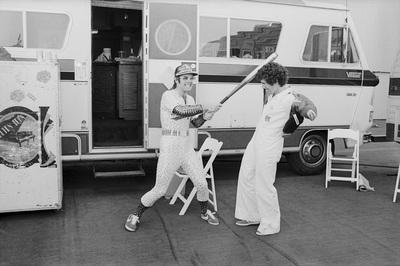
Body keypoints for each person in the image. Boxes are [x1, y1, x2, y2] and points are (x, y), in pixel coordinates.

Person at [125, 63, 222, 232]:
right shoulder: (168, 95)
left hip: (186, 146)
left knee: (201, 183)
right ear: (177, 80)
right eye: (185, 78)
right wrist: (205, 105)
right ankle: (135, 215)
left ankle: (205, 212)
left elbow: (194, 123)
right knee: (161, 189)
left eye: (191, 78)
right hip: (170, 145)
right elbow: (180, 111)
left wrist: (206, 116)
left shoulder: (190, 99)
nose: (189, 81)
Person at [234, 62, 316, 236]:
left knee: (264, 184)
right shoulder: (271, 95)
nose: (262, 86)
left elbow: (307, 106)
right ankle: (252, 215)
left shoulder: (290, 97)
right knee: (246, 176)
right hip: (256, 141)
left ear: (275, 82)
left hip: (269, 146)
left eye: (264, 83)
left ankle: (271, 224)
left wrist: (309, 113)